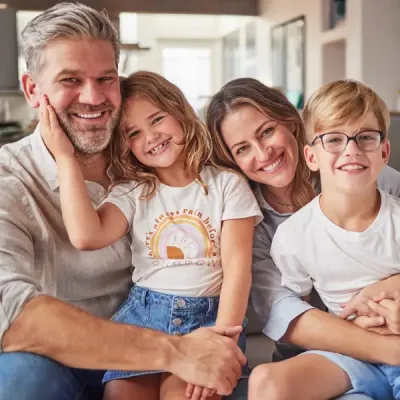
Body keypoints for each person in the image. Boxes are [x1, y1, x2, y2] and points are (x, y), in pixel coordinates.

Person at [0, 4, 248, 400]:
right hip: (65, 359)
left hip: (185, 335)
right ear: (33, 90)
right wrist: (176, 352)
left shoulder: (153, 168)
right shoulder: (7, 177)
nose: (93, 97)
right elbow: (8, 310)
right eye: (70, 79)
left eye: (105, 78)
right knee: (17, 378)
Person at [40, 70, 262, 400]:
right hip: (142, 317)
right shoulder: (134, 191)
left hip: (210, 322)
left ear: (180, 110)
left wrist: (221, 343)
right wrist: (65, 157)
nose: (151, 137)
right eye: (134, 133)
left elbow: (237, 271)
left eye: (157, 119)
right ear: (124, 144)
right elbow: (86, 235)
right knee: (120, 394)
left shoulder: (226, 184)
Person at [206, 77, 400, 400]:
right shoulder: (252, 223)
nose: (263, 152)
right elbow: (284, 312)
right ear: (233, 161)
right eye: (242, 149)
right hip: (327, 355)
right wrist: (387, 348)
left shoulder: (370, 176)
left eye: (266, 131)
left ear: (289, 122)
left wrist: (386, 288)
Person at [265, 79, 400, 400]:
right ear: (311, 157)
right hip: (348, 356)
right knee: (266, 383)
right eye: (334, 139)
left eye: (365, 137)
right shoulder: (293, 236)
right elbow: (293, 319)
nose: (351, 150)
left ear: (384, 151)